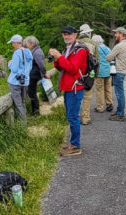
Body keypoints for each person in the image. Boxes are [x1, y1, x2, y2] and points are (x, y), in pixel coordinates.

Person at [50, 26, 88, 156]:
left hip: (75, 87)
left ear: (75, 35)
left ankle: (75, 146)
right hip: (68, 87)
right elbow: (62, 67)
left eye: (69, 34)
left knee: (73, 117)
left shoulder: (80, 50)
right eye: (64, 34)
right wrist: (56, 59)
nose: (66, 36)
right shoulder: (69, 49)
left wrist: (60, 56)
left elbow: (72, 69)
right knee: (70, 116)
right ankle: (73, 143)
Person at [106, 27, 126, 121]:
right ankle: (119, 111)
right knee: (120, 93)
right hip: (122, 70)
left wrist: (112, 55)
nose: (115, 35)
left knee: (119, 94)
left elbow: (108, 58)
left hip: (118, 72)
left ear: (121, 34)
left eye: (116, 33)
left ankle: (120, 114)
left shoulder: (119, 46)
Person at [7, 34, 33, 127]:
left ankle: (22, 125)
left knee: (18, 104)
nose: (12, 45)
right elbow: (29, 67)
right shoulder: (28, 52)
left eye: (12, 43)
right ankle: (24, 121)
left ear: (15, 43)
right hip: (25, 81)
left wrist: (9, 63)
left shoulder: (17, 53)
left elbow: (14, 69)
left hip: (15, 82)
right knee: (22, 102)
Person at [24, 35, 49, 117]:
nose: (26, 45)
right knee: (31, 92)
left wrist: (44, 73)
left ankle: (36, 112)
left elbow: (41, 65)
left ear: (31, 43)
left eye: (27, 43)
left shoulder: (37, 52)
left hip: (34, 75)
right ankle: (34, 111)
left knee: (32, 93)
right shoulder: (34, 50)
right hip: (33, 74)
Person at [77, 24, 98, 125]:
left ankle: (75, 115)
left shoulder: (75, 42)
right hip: (89, 73)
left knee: (76, 95)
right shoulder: (93, 43)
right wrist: (96, 76)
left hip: (76, 72)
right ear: (88, 33)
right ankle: (85, 118)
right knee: (87, 96)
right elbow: (96, 61)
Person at [92, 34, 113, 113]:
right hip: (108, 71)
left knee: (100, 90)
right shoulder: (107, 48)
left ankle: (100, 107)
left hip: (99, 72)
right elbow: (111, 58)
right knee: (108, 89)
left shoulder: (95, 49)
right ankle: (109, 104)